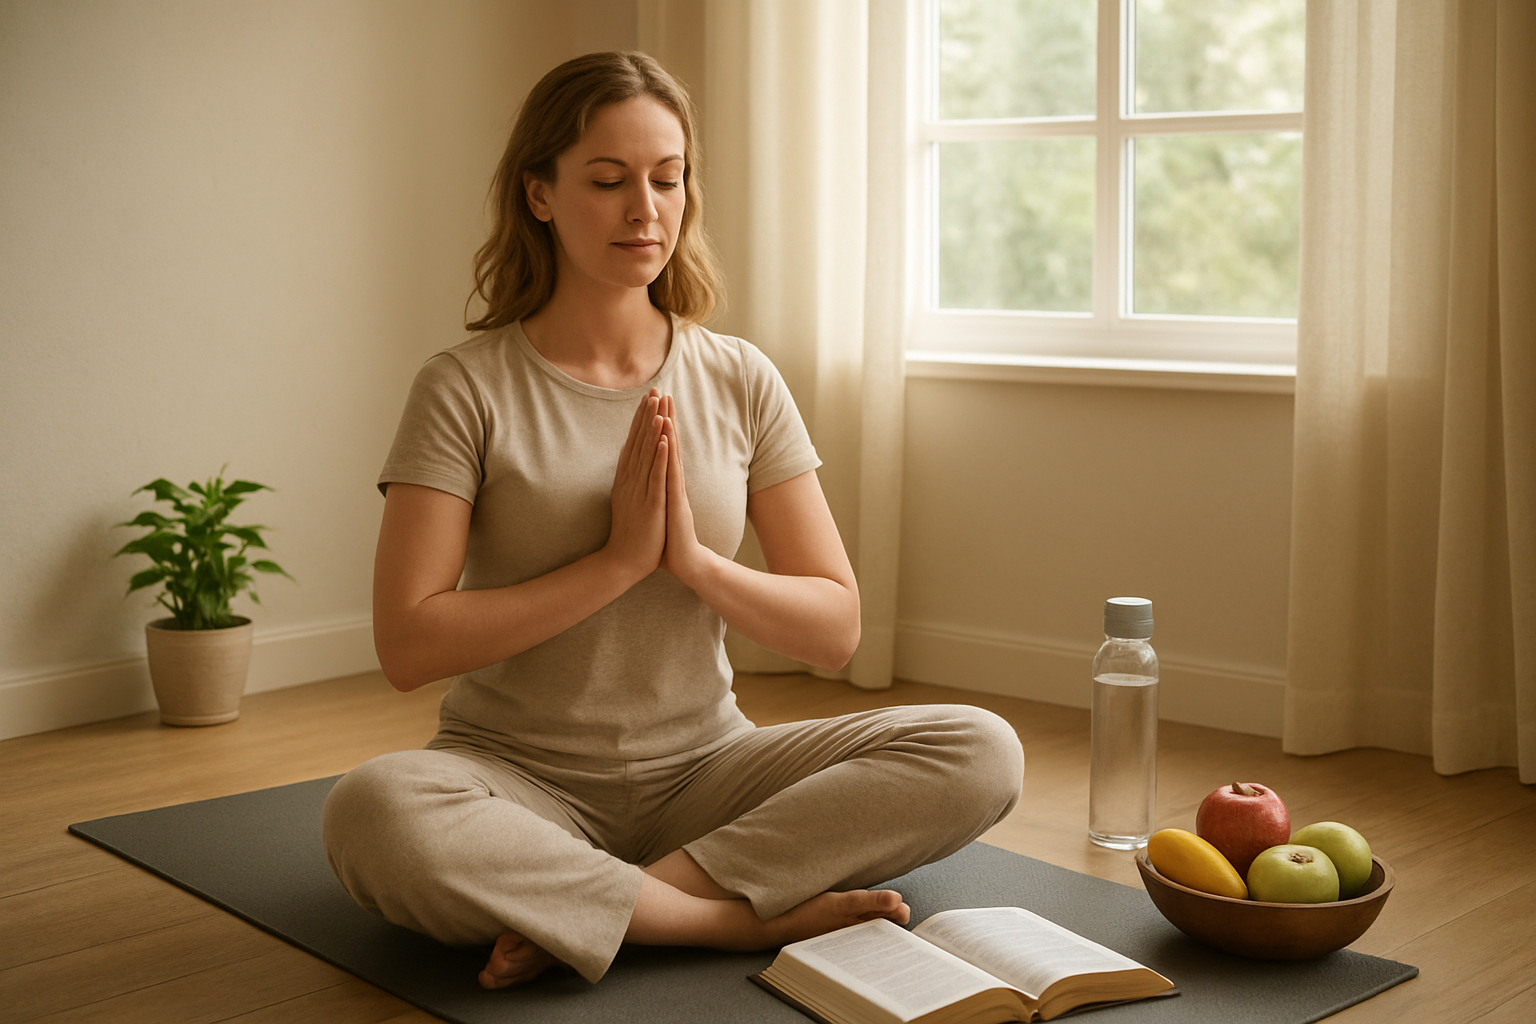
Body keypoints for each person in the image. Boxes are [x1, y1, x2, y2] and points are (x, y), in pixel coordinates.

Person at [321, 51, 1024, 990]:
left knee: (981, 749)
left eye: (667, 178)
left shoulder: (738, 376)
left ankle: (628, 904)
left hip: (710, 773)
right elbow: (408, 644)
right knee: (373, 810)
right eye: (607, 181)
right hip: (516, 778)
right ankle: (717, 921)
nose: (644, 210)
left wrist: (691, 561)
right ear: (540, 194)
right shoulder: (464, 388)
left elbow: (835, 625)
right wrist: (615, 563)